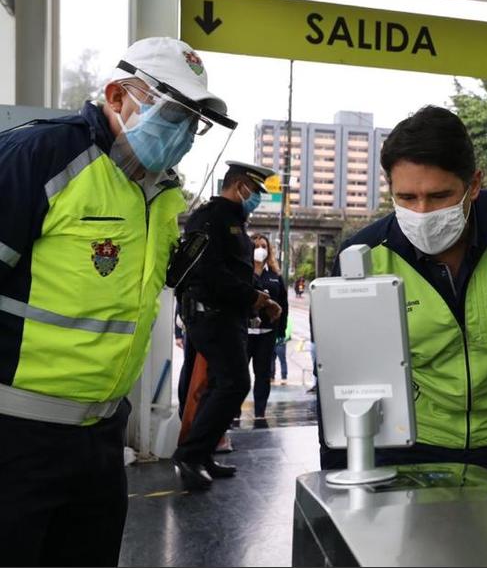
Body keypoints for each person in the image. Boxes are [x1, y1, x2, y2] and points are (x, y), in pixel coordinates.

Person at [0, 37, 233, 565]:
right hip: (16, 435)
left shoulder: (161, 192)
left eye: (193, 121)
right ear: (116, 95)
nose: (183, 132)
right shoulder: (41, 157)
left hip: (102, 440)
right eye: (172, 112)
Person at [319, 105, 487, 491]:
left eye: (439, 195)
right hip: (414, 442)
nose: (422, 212)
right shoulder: (364, 258)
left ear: (473, 185)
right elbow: (340, 374)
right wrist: (335, 477)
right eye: (406, 197)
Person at [173, 160, 281, 491]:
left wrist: (257, 298)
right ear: (240, 187)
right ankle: (190, 455)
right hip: (211, 315)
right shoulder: (211, 218)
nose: (257, 198)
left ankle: (202, 454)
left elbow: (233, 272)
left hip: (226, 316)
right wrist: (255, 298)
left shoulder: (232, 221)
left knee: (221, 383)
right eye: (255, 191)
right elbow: (209, 272)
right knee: (235, 383)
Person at [247, 233, 288, 418]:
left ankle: (260, 412)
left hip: (267, 333)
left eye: (264, 246)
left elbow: (284, 304)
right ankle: (232, 412)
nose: (260, 250)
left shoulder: (275, 276)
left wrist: (281, 331)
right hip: (245, 332)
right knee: (239, 374)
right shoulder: (243, 272)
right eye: (256, 246)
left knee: (263, 374)